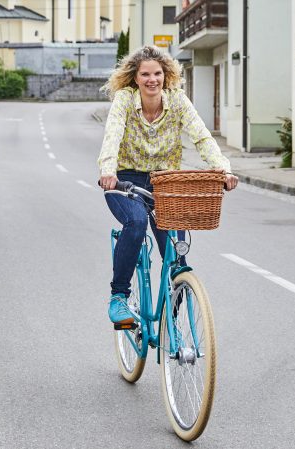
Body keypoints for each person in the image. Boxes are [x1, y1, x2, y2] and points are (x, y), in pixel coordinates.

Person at [97, 45, 238, 328]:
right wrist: (108, 170)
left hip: (165, 182)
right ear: (135, 78)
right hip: (125, 180)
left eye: (157, 73)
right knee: (136, 223)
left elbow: (201, 137)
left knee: (176, 252)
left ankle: (170, 316)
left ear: (166, 75)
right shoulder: (125, 100)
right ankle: (119, 297)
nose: (152, 80)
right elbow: (112, 134)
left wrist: (223, 169)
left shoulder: (177, 101)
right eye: (145, 74)